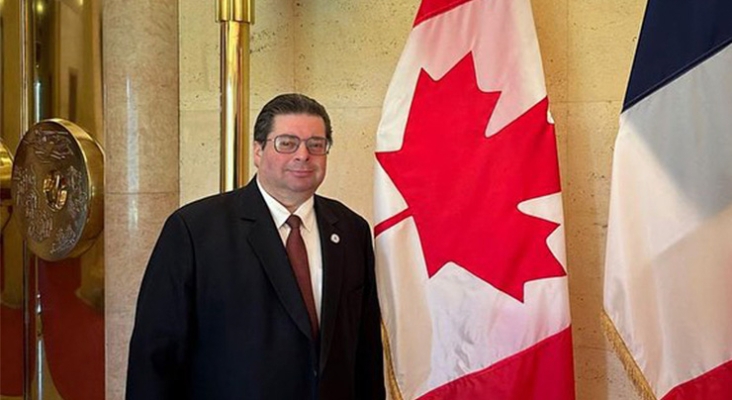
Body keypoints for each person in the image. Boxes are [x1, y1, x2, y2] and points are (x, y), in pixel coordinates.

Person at [126, 93, 385, 399]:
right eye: (287, 143)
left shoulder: (351, 230)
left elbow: (365, 353)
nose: (303, 155)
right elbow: (155, 356)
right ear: (258, 151)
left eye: (316, 144)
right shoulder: (194, 230)